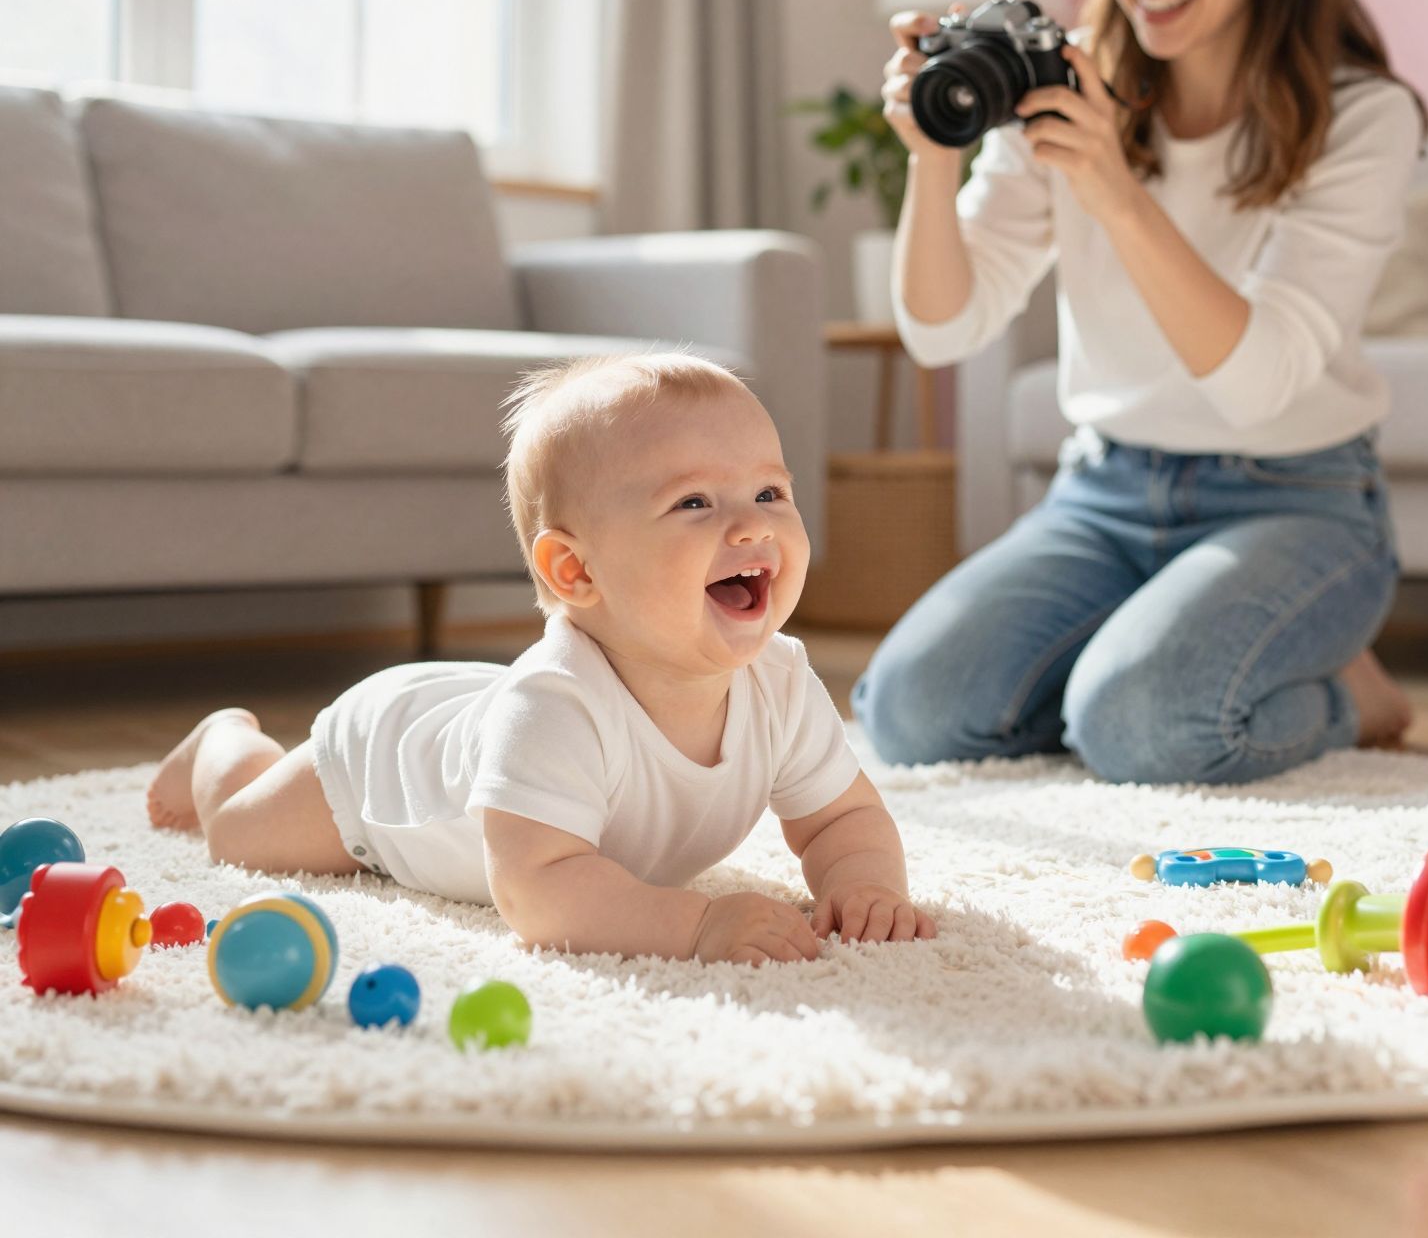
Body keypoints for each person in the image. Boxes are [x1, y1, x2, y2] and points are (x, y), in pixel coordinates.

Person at [854, 0, 1428, 786]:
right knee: (911, 709)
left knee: (1143, 725)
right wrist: (933, 159)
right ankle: (1153, 642)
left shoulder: (1362, 119)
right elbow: (943, 329)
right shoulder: (1060, 83)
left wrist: (1117, 193)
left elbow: (1256, 380)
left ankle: (1351, 696)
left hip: (1295, 498)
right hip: (1103, 494)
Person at [147, 352, 937, 966]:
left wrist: (864, 883)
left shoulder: (781, 682)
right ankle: (224, 742)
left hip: (479, 707)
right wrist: (695, 925)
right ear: (575, 571)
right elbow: (538, 891)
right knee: (239, 835)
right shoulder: (557, 707)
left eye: (769, 493)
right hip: (379, 763)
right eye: (694, 502)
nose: (752, 526)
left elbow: (842, 817)